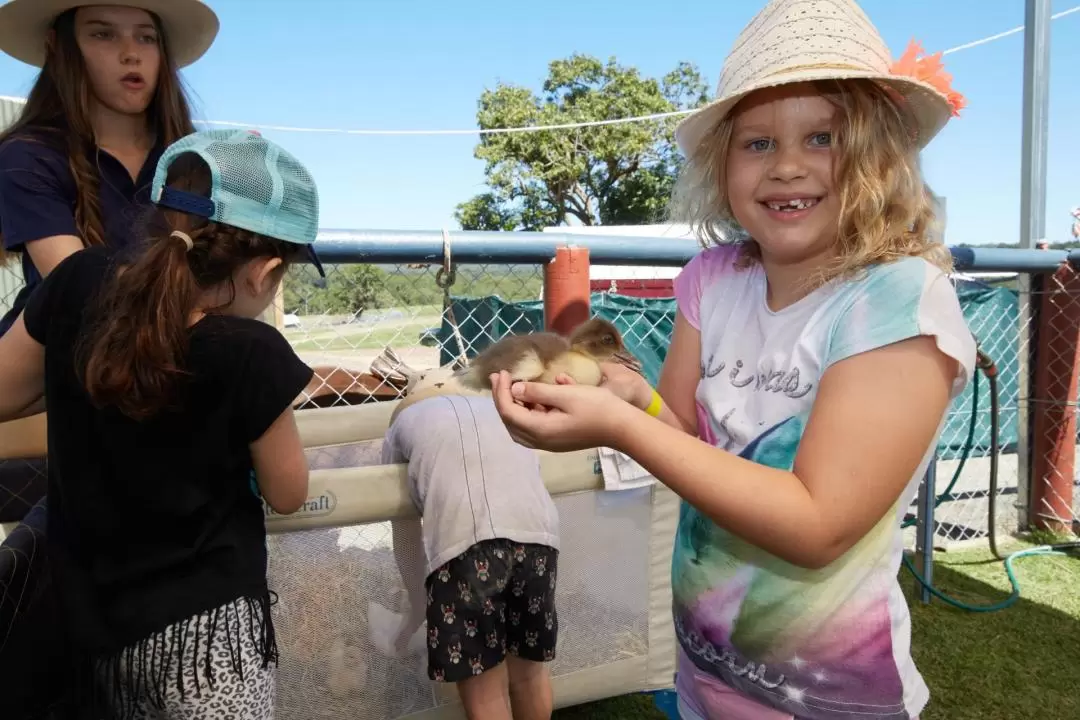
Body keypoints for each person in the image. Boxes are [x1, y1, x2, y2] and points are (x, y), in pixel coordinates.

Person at [489, 1, 976, 718]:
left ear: (881, 155)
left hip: (831, 699)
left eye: (822, 137)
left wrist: (621, 429)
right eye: (756, 144)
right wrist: (631, 397)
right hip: (706, 674)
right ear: (722, 166)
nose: (785, 166)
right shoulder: (712, 281)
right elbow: (687, 437)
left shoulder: (897, 302)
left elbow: (817, 525)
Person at [0, 128, 325, 718]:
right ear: (265, 271)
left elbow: (3, 389)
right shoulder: (253, 352)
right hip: (208, 645)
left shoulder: (78, 281)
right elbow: (289, 490)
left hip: (94, 631)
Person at [0, 0, 219, 338]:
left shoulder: (200, 161)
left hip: (176, 345)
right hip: (60, 354)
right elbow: (82, 287)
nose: (131, 53)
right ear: (57, 46)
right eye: (103, 34)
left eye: (147, 38)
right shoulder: (28, 156)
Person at [382, 368, 561, 720]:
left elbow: (405, 536)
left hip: (463, 545)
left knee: (485, 690)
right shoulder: (497, 410)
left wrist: (418, 606)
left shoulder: (402, 425)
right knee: (529, 675)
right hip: (539, 538)